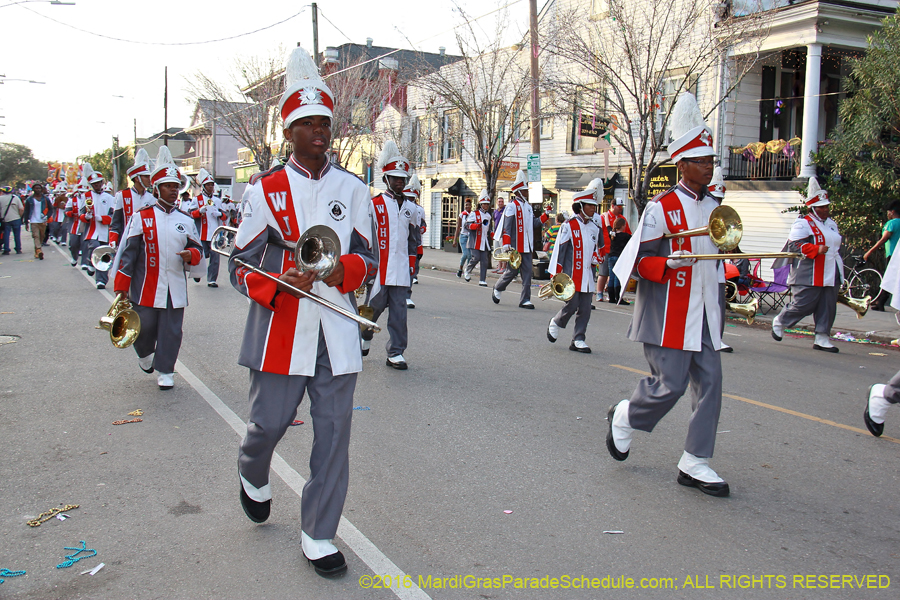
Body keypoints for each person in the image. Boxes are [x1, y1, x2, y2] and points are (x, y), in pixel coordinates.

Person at [228, 46, 376, 579]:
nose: (319, 130)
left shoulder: (355, 189)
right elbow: (240, 266)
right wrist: (276, 284)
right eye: (307, 123)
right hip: (281, 328)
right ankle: (252, 467)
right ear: (288, 132)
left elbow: (370, 260)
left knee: (334, 436)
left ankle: (318, 533)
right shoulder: (263, 190)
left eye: (324, 122)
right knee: (268, 425)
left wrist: (344, 273)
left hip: (336, 329)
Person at [607, 92, 730, 498]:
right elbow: (635, 265)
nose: (710, 167)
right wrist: (667, 265)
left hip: (707, 315)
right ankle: (625, 416)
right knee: (670, 386)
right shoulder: (662, 208)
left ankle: (695, 461)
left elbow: (718, 257)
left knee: (711, 383)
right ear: (683, 164)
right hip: (668, 315)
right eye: (703, 160)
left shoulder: (716, 207)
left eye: (712, 160)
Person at [114, 146, 202, 390]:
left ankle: (166, 370)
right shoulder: (141, 217)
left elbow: (198, 249)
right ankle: (144, 354)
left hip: (175, 287)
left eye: (176, 186)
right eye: (168, 186)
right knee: (143, 329)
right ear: (156, 189)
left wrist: (191, 254)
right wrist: (121, 287)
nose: (173, 190)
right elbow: (128, 254)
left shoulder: (185, 219)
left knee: (172, 332)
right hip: (144, 286)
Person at [360, 140, 417, 369]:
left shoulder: (411, 208)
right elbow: (363, 237)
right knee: (371, 311)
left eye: (402, 178)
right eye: (395, 178)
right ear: (386, 179)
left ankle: (396, 352)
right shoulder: (373, 205)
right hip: (379, 270)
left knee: (399, 315)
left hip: (401, 271)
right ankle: (363, 335)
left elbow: (414, 241)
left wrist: (412, 267)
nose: (400, 182)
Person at [771, 177, 843, 353]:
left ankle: (822, 337)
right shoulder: (803, 223)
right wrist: (816, 248)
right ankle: (781, 320)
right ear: (813, 208)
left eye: (826, 206)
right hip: (809, 271)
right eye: (821, 207)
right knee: (804, 304)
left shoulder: (832, 224)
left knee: (828, 304)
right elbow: (794, 245)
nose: (825, 210)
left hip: (831, 269)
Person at [546, 181, 603, 352]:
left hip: (588, 275)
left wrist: (597, 257)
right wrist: (555, 276)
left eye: (594, 206)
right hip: (571, 275)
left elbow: (600, 249)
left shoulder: (595, 227)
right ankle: (556, 322)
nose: (593, 209)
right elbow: (560, 250)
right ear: (581, 206)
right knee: (572, 305)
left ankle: (578, 339)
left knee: (585, 308)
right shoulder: (568, 225)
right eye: (590, 206)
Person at [492, 170, 549, 308]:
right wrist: (506, 243)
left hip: (527, 246)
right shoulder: (512, 206)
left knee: (528, 273)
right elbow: (507, 227)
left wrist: (545, 215)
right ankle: (498, 287)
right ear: (518, 192)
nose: (527, 192)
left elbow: (534, 223)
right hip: (516, 246)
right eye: (524, 190)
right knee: (512, 272)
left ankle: (525, 299)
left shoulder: (528, 207)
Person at [79, 164, 116, 289]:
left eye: (99, 183)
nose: (97, 186)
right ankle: (90, 262)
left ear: (102, 183)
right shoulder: (86, 196)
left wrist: (102, 218)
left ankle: (101, 280)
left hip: (105, 232)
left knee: (104, 256)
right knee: (94, 247)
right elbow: (81, 214)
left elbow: (114, 217)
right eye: (94, 184)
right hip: (92, 231)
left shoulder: (110, 198)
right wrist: (87, 216)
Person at [110, 148, 155, 247]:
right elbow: (116, 222)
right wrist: (113, 240)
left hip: (147, 243)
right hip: (127, 242)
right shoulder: (122, 195)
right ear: (137, 178)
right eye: (146, 176)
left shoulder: (152, 198)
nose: (149, 179)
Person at [190, 168, 226, 288]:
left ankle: (212, 280)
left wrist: (220, 214)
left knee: (215, 258)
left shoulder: (216, 200)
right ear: (203, 186)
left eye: (212, 185)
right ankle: (197, 272)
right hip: (202, 233)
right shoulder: (197, 199)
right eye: (208, 185)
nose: (211, 187)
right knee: (201, 255)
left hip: (214, 233)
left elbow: (226, 216)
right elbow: (189, 214)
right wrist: (199, 211)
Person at [863, 201, 900, 311]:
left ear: (892, 212)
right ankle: (881, 301)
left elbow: (884, 239)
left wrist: (870, 251)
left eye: (888, 212)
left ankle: (881, 301)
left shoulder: (891, 223)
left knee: (889, 278)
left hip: (892, 254)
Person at [597, 197, 631, 302]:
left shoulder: (622, 219)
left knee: (613, 275)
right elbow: (600, 231)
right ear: (613, 206)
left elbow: (628, 233)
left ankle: (612, 295)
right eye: (619, 207)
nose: (620, 209)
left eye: (621, 207)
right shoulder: (604, 217)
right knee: (603, 273)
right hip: (606, 249)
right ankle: (599, 293)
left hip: (616, 251)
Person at [403, 175, 426, 307]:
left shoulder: (418, 210)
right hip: (397, 245)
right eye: (408, 198)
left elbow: (420, 227)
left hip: (412, 244)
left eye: (413, 199)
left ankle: (407, 295)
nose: (411, 201)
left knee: (411, 269)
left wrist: (419, 247)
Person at [464, 191, 493, 286]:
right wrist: (474, 226)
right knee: (476, 258)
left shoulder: (488, 216)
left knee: (484, 261)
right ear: (481, 204)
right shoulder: (474, 213)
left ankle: (482, 279)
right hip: (475, 240)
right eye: (484, 204)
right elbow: (466, 225)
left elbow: (489, 229)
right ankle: (467, 270)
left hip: (484, 241)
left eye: (487, 204)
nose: (486, 206)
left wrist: (492, 234)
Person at [23, 183, 51, 260]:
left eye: (39, 188)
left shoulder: (45, 199)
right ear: (33, 190)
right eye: (36, 188)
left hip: (43, 220)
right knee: (36, 236)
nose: (37, 190)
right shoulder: (29, 199)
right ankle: (39, 249)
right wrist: (26, 222)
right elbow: (26, 211)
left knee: (42, 236)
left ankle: (37, 251)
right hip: (33, 220)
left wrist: (47, 216)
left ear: (41, 189)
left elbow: (50, 209)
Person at [607, 217, 631, 305]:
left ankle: (611, 297)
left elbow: (608, 226)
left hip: (611, 257)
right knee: (618, 277)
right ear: (622, 226)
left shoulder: (612, 234)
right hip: (620, 257)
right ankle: (618, 297)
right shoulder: (626, 236)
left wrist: (606, 216)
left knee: (611, 277)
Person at [0, 185, 25, 255]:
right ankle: (18, 249)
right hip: (16, 219)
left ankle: (6, 249)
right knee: (17, 235)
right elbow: (21, 209)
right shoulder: (16, 198)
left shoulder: (0, 198)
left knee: (6, 235)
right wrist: (19, 216)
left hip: (5, 219)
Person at [455, 198, 472, 277]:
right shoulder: (462, 215)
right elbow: (458, 227)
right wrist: (455, 239)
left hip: (471, 237)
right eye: (466, 205)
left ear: (471, 206)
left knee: (470, 256)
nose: (467, 206)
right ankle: (460, 269)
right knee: (465, 254)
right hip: (463, 236)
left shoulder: (472, 214)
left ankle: (467, 271)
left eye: (468, 205)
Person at [492, 197, 506, 272]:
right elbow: (494, 221)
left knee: (503, 251)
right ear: (497, 203)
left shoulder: (505, 211)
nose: (500, 203)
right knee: (497, 251)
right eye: (499, 201)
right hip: (496, 233)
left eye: (502, 201)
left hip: (503, 233)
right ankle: (499, 266)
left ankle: (503, 267)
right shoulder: (495, 211)